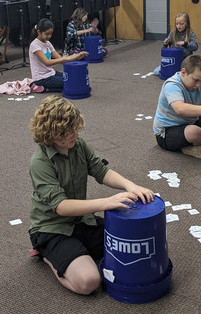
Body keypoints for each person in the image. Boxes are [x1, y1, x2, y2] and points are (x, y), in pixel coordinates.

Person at [29, 95, 155, 294]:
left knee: (129, 241)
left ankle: (76, 252)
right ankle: (46, 255)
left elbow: (100, 170)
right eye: (66, 132)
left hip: (81, 221)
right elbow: (61, 206)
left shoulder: (77, 144)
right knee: (89, 282)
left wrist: (130, 186)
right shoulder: (40, 162)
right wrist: (106, 202)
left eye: (75, 129)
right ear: (50, 134)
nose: (74, 135)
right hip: (52, 228)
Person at [29, 18, 88, 93]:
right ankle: (42, 87)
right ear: (39, 32)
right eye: (47, 34)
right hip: (41, 78)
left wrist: (76, 57)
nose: (49, 36)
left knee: (74, 79)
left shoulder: (47, 43)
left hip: (51, 73)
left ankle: (45, 88)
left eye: (51, 33)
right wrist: (69, 58)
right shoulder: (34, 45)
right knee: (71, 83)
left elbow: (60, 59)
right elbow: (47, 62)